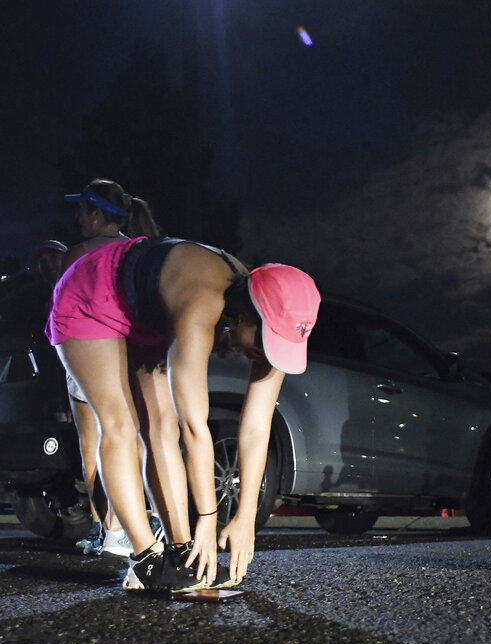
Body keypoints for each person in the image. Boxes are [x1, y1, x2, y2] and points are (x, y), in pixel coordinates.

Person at [47, 185, 321, 594]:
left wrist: (245, 517)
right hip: (91, 295)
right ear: (245, 314)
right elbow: (196, 429)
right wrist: (208, 519)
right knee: (122, 424)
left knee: (161, 426)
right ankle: (146, 558)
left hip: (147, 305)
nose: (265, 355)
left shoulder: (274, 314)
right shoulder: (199, 308)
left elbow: (256, 429)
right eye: (263, 342)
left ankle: (180, 552)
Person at [60, 179, 164, 558]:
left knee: (94, 441)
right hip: (132, 350)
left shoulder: (77, 254)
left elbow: (63, 307)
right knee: (134, 435)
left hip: (90, 350)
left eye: (82, 211)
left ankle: (111, 530)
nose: (78, 218)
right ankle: (141, 520)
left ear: (96, 213)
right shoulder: (137, 250)